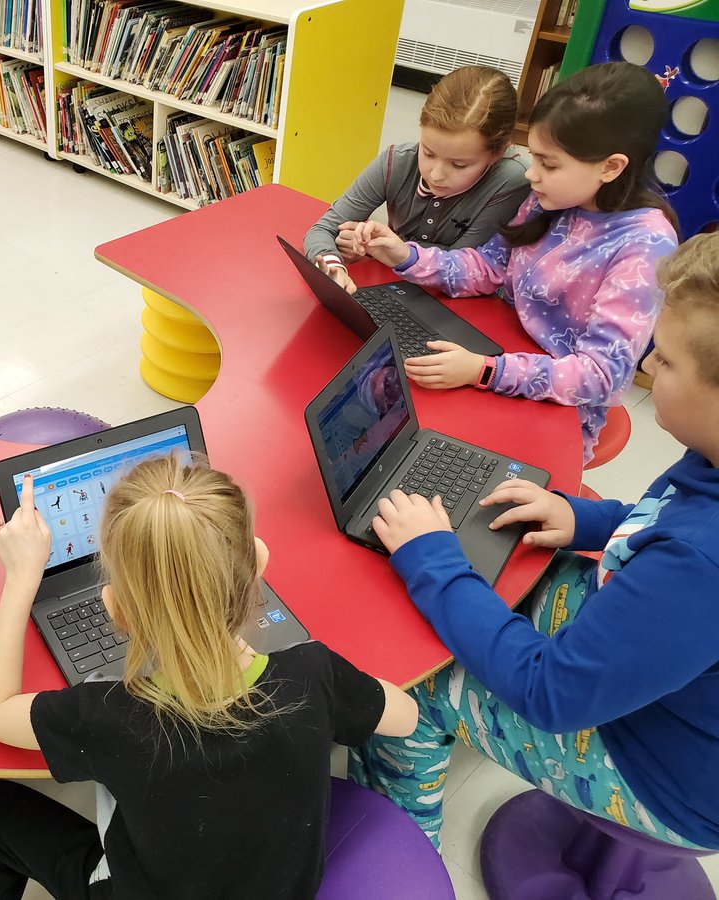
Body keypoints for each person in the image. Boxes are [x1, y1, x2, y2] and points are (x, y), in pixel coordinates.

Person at [350, 232, 719, 853]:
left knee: (403, 684)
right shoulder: (709, 465)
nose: (649, 365)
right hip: (653, 669)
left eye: (669, 360)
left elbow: (552, 694)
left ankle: (398, 851)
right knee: (507, 561)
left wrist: (434, 559)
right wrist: (583, 518)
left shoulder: (701, 566)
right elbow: (661, 520)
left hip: (658, 773)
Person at [0, 457, 419, 898]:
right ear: (258, 562)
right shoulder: (313, 673)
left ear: (115, 609)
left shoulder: (104, 714)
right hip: (287, 888)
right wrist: (336, 691)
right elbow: (407, 717)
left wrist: (22, 577)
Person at [346, 62, 679, 463]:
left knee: (425, 447)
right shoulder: (551, 200)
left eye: (549, 164)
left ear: (611, 167)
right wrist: (406, 256)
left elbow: (600, 375)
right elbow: (489, 267)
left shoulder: (644, 244)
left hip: (556, 406)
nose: (531, 175)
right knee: (373, 387)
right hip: (495, 354)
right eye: (534, 157)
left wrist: (486, 371)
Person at [303, 65, 528, 293]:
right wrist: (333, 268)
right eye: (428, 152)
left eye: (458, 165)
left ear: (497, 153)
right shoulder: (397, 161)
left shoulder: (511, 181)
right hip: (398, 290)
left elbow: (464, 266)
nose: (436, 174)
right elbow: (323, 229)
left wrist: (382, 248)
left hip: (461, 304)